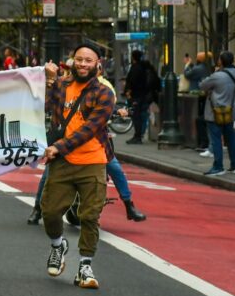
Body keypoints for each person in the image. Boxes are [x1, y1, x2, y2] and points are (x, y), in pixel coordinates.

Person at [28, 62, 147, 224]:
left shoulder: (105, 87)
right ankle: (38, 209)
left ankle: (129, 205)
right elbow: (48, 104)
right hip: (65, 141)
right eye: (73, 68)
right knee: (49, 172)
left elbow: (106, 106)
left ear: (98, 69)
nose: (81, 70)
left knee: (115, 168)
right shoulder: (65, 84)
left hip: (96, 141)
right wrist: (49, 81)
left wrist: (118, 111)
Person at [40, 43, 114, 289]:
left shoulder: (104, 93)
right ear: (72, 61)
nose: (83, 64)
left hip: (93, 161)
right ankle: (58, 245)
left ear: (98, 64)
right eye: (79, 59)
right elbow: (46, 108)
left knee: (90, 216)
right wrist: (50, 81)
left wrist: (59, 147)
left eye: (88, 60)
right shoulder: (62, 85)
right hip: (62, 162)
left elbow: (89, 129)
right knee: (49, 211)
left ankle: (84, 265)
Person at [199, 51, 235, 176]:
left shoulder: (218, 75)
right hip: (230, 110)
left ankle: (218, 166)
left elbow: (202, 85)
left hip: (215, 111)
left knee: (216, 139)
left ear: (221, 61)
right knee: (231, 139)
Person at [123, 49, 159, 144]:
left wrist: (128, 91)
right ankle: (139, 134)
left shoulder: (136, 68)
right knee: (141, 115)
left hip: (136, 95)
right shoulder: (145, 67)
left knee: (136, 115)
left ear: (133, 57)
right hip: (144, 95)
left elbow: (132, 81)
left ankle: (137, 136)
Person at [184, 52, 213, 154]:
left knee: (200, 119)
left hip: (200, 95)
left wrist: (187, 65)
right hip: (205, 97)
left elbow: (187, 74)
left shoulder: (199, 68)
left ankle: (204, 143)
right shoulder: (208, 68)